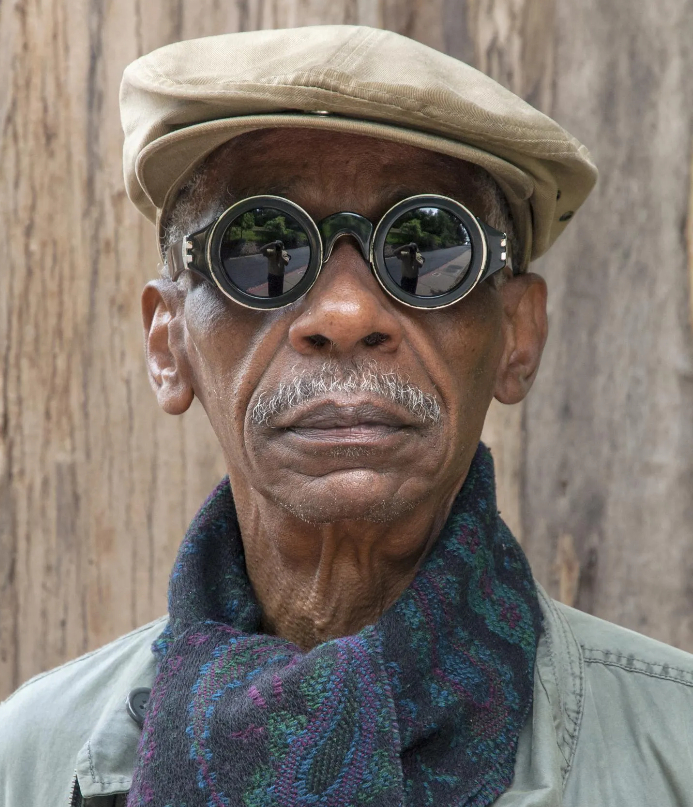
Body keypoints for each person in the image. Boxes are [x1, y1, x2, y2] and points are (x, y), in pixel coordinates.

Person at [1, 25, 692, 807]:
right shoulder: (28, 764)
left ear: (516, 335)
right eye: (263, 250)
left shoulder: (675, 751)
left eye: (424, 250)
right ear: (169, 345)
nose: (345, 313)